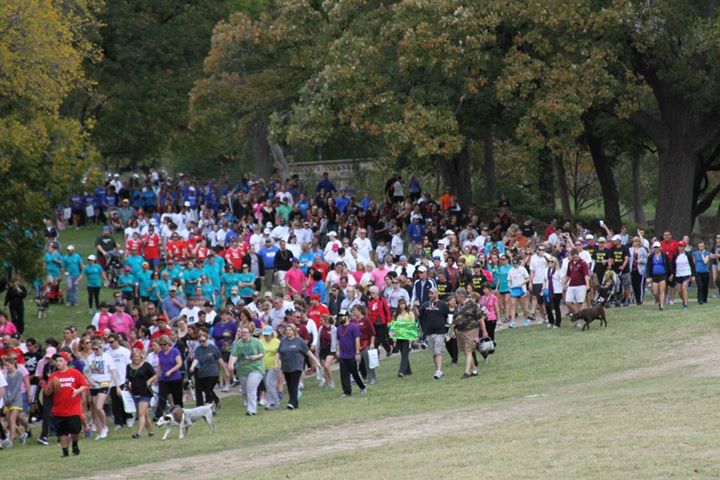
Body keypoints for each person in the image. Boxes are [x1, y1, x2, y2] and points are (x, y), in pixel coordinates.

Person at [45, 352, 88, 457]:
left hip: (73, 408)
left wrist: (77, 391)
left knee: (75, 429)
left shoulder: (75, 373)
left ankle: (75, 444)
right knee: (62, 432)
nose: (58, 363)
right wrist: (49, 388)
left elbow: (84, 385)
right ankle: (65, 452)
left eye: (61, 360)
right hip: (59, 408)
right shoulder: (54, 376)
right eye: (57, 361)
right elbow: (47, 393)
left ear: (66, 361)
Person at [277, 323, 320, 410]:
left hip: (297, 366)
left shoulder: (299, 341)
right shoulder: (283, 341)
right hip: (286, 366)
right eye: (286, 330)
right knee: (289, 385)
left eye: (290, 330)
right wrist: (276, 363)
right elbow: (279, 352)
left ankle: (291, 402)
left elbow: (308, 352)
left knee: (294, 384)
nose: (288, 332)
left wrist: (316, 361)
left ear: (294, 331)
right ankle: (294, 403)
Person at [84, 339, 120, 440]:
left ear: (101, 348)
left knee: (99, 407)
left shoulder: (107, 357)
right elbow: (85, 371)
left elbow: (113, 372)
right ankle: (100, 431)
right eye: (94, 349)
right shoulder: (90, 358)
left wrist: (117, 386)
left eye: (97, 349)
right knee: (95, 409)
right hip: (94, 384)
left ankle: (104, 427)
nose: (95, 351)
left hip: (104, 383)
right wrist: (89, 380)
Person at [228, 326, 265, 416]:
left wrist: (256, 356)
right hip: (242, 370)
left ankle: (251, 410)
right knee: (245, 391)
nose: (243, 334)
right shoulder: (238, 343)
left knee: (251, 388)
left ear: (250, 334)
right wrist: (231, 364)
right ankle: (249, 405)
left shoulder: (256, 342)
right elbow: (234, 355)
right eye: (242, 332)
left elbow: (262, 353)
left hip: (256, 368)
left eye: (245, 332)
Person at [453, 289, 488, 378]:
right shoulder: (459, 305)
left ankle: (467, 372)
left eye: (456, 296)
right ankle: (474, 370)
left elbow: (480, 318)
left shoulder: (472, 304)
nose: (455, 298)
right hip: (460, 331)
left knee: (468, 350)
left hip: (471, 330)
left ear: (461, 296)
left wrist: (484, 331)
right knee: (465, 351)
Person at [418, 287, 450, 380]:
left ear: (437, 293)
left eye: (432, 293)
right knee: (434, 353)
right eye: (429, 294)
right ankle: (438, 370)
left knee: (438, 351)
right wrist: (414, 308)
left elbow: (448, 317)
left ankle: (439, 370)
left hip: (440, 332)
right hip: (429, 333)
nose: (430, 295)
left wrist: (448, 332)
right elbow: (419, 315)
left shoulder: (443, 304)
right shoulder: (425, 305)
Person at [125, 348, 156, 439]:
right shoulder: (128, 366)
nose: (136, 358)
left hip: (145, 392)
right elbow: (128, 378)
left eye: (137, 356)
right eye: (134, 356)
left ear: (140, 356)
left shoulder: (146, 365)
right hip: (135, 392)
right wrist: (128, 384)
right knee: (144, 414)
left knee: (141, 413)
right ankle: (150, 431)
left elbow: (154, 375)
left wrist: (149, 381)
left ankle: (138, 433)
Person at [335, 311, 366, 397]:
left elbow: (357, 340)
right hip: (343, 355)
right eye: (339, 317)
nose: (340, 318)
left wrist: (357, 352)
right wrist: (338, 350)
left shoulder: (353, 327)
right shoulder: (338, 329)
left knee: (355, 373)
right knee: (344, 374)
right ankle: (347, 391)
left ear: (347, 317)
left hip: (352, 354)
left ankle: (362, 387)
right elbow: (339, 341)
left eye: (342, 316)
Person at [189, 332, 224, 408]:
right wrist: (192, 366)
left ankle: (209, 406)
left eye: (203, 341)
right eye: (200, 341)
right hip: (202, 373)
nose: (202, 343)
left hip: (213, 373)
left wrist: (225, 370)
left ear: (207, 339)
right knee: (206, 389)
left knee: (208, 389)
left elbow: (219, 359)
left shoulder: (213, 348)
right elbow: (196, 359)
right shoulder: (198, 349)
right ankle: (215, 400)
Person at [155, 335, 183, 417]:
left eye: (164, 344)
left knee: (177, 397)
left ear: (168, 343)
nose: (163, 347)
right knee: (162, 397)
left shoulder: (175, 351)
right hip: (164, 378)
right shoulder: (160, 353)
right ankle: (159, 415)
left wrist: (171, 371)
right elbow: (160, 365)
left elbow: (179, 364)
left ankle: (180, 413)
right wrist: (157, 376)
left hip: (175, 378)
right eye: (161, 345)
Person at [389, 298, 417, 377]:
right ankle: (408, 371)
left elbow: (412, 325)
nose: (402, 306)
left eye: (403, 304)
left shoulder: (410, 313)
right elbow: (393, 325)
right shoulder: (396, 314)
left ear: (405, 304)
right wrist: (394, 337)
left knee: (405, 353)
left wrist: (411, 337)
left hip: (407, 336)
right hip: (399, 336)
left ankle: (401, 371)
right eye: (400, 304)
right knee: (403, 354)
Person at [259, 326, 281, 410]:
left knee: (269, 383)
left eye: (267, 335)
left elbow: (279, 353)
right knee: (267, 385)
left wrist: (276, 364)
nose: (266, 336)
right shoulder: (260, 342)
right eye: (264, 335)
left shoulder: (277, 342)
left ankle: (275, 403)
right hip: (263, 366)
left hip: (274, 366)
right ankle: (270, 402)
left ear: (271, 333)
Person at [563, 249, 589, 317]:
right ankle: (577, 314)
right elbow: (568, 275)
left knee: (579, 303)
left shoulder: (583, 263)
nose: (574, 258)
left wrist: (587, 285)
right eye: (572, 257)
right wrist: (564, 284)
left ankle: (578, 318)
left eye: (575, 257)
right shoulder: (570, 263)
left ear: (578, 255)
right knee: (568, 302)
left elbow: (586, 275)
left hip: (581, 285)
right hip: (571, 285)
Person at [646, 242, 671, 311]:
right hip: (654, 275)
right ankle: (658, 300)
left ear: (660, 248)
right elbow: (648, 266)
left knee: (662, 290)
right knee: (655, 292)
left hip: (663, 275)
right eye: (655, 247)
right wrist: (648, 276)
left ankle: (662, 305)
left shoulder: (664, 255)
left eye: (657, 247)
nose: (656, 249)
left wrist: (671, 274)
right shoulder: (651, 256)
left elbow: (669, 264)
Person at [672, 240, 695, 311]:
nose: (680, 247)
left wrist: (693, 275)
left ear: (684, 247)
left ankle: (685, 305)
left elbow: (692, 265)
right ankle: (684, 300)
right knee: (679, 291)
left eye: (681, 246)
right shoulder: (675, 255)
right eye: (679, 246)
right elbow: (673, 265)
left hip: (686, 273)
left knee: (684, 288)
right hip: (678, 274)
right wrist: (672, 274)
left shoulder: (688, 255)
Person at [542, 256, 563, 328]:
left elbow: (562, 279)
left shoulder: (558, 271)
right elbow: (544, 280)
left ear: (555, 263)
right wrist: (543, 288)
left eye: (552, 261)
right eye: (549, 261)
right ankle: (551, 321)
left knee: (556, 307)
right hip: (548, 290)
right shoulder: (546, 270)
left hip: (557, 291)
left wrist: (563, 286)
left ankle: (557, 323)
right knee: (547, 306)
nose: (550, 263)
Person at [316, 315, 337, 388]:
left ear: (326, 321)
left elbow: (336, 340)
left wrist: (336, 350)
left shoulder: (333, 328)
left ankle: (332, 381)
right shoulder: (321, 328)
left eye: (321, 320)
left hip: (330, 349)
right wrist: (317, 350)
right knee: (324, 367)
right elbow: (319, 340)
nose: (320, 322)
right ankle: (327, 383)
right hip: (323, 349)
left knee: (326, 365)